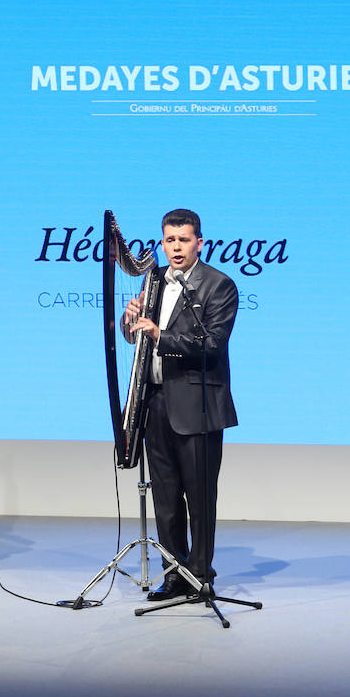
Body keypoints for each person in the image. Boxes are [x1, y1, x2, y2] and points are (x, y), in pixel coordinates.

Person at [122, 209, 238, 601]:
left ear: (199, 243)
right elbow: (135, 337)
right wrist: (129, 320)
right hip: (156, 405)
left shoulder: (219, 286)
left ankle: (201, 574)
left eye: (183, 240)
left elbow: (211, 345)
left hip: (198, 407)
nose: (175, 247)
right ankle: (174, 575)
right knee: (166, 499)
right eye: (169, 240)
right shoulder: (154, 281)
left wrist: (161, 334)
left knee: (200, 497)